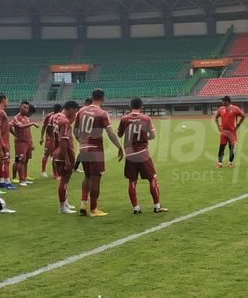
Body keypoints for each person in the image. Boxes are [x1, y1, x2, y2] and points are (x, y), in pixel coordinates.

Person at [74, 89, 124, 217]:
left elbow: (75, 130)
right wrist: (119, 146)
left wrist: (82, 141)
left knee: (87, 176)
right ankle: (94, 209)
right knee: (96, 178)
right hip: (95, 149)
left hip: (83, 148)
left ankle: (83, 204)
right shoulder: (102, 113)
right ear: (103, 98)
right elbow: (110, 133)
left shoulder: (81, 111)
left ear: (91, 97)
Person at [117, 98, 168, 214]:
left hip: (129, 154)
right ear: (141, 107)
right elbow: (153, 135)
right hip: (143, 153)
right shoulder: (146, 118)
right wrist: (145, 138)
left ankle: (136, 208)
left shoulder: (124, 119)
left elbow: (119, 134)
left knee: (132, 180)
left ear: (130, 106)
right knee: (152, 178)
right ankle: (157, 206)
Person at [53, 101, 79, 214]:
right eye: (75, 111)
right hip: (64, 154)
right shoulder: (64, 121)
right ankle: (62, 207)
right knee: (64, 181)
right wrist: (68, 159)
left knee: (65, 181)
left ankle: (65, 203)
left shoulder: (56, 117)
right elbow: (63, 140)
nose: (75, 114)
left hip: (57, 152)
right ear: (71, 109)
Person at [11, 101, 39, 187]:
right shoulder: (17, 117)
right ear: (20, 107)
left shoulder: (26, 118)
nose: (25, 109)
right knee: (21, 161)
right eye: (24, 107)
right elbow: (19, 126)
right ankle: (21, 180)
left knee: (26, 161)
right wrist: (32, 123)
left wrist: (31, 143)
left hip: (27, 142)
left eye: (27, 108)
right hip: (21, 142)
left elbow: (28, 131)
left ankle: (25, 178)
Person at [214, 96, 245, 168]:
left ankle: (230, 163)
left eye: (222, 101)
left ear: (227, 101)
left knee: (231, 148)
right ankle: (219, 163)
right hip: (223, 132)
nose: (221, 102)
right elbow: (216, 117)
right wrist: (218, 126)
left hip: (232, 132)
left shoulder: (235, 108)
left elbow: (243, 116)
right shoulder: (221, 109)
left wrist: (238, 125)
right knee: (221, 148)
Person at [0, 94, 14, 189]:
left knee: (2, 161)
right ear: (3, 100)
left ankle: (1, 180)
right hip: (3, 141)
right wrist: (2, 142)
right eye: (7, 99)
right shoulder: (1, 112)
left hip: (2, 140)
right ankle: (7, 182)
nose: (8, 101)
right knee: (6, 161)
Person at [39, 104, 62, 178]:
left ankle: (54, 172)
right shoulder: (49, 116)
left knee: (55, 155)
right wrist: (42, 137)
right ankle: (43, 171)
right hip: (50, 139)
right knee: (47, 154)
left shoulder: (60, 116)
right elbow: (44, 127)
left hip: (57, 139)